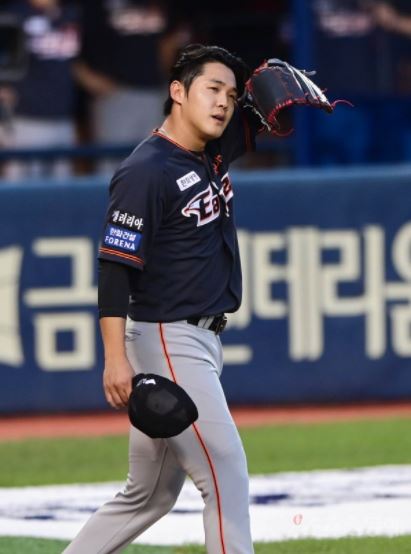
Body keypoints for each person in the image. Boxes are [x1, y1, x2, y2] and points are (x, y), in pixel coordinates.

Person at [63, 44, 261, 553]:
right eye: (212, 89)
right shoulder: (145, 170)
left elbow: (250, 126)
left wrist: (264, 104)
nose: (223, 102)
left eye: (231, 94)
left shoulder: (208, 152)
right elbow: (114, 268)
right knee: (225, 475)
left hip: (194, 340)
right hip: (168, 340)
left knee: (148, 495)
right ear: (178, 91)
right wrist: (115, 359)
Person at [74, 0, 190, 174]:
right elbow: (70, 47)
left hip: (155, 94)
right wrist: (88, 78)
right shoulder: (97, 5)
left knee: (156, 166)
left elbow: (172, 38)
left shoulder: (163, 5)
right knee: (113, 167)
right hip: (115, 96)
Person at [2, 0, 81, 180]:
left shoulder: (70, 13)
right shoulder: (14, 14)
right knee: (22, 190)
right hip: (26, 118)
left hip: (63, 118)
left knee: (63, 188)